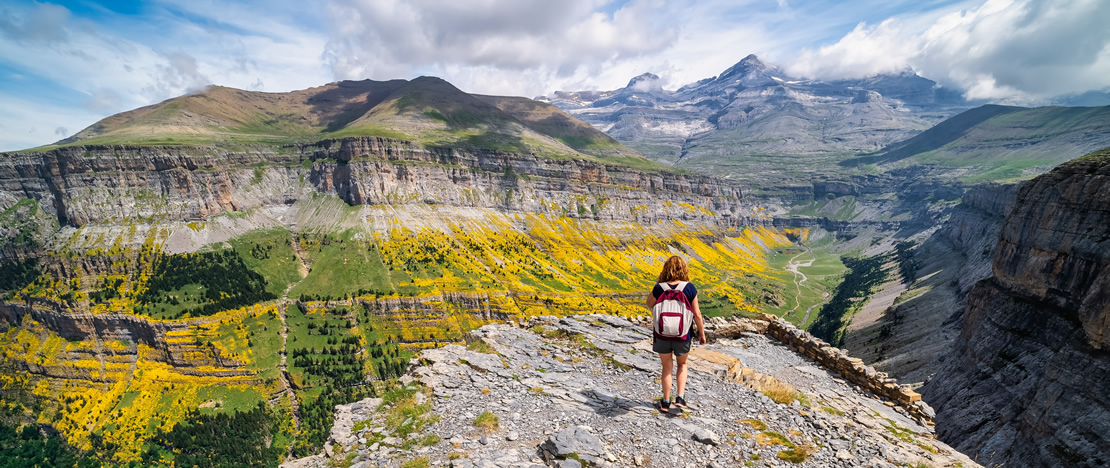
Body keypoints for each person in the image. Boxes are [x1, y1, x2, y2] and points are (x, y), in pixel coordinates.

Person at [645, 255, 706, 413]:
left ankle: (665, 402)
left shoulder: (660, 288)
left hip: (662, 334)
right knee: (682, 364)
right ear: (684, 269)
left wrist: (658, 283)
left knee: (666, 368)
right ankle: (680, 397)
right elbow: (697, 314)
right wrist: (701, 333)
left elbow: (649, 303)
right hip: (683, 335)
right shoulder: (689, 288)